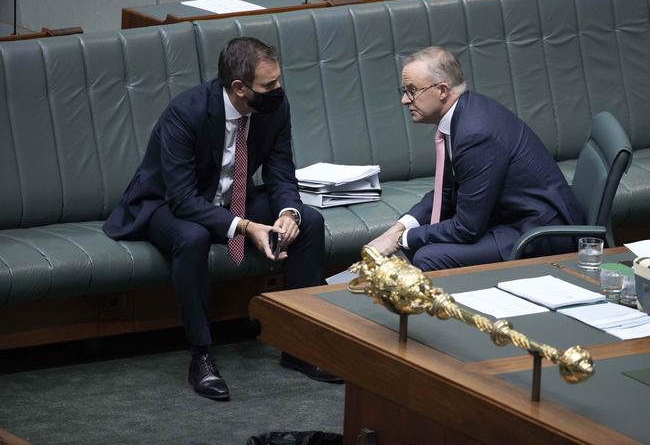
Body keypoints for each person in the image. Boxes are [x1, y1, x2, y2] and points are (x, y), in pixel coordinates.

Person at [103, 37, 341, 401]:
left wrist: (287, 213)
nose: (278, 90)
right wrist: (245, 226)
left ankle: (300, 347)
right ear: (239, 88)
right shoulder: (187, 113)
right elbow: (182, 198)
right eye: (269, 85)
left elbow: (280, 171)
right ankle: (201, 355)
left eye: (278, 81)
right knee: (194, 236)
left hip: (233, 201)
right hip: (163, 206)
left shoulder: (274, 108)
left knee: (309, 222)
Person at [369, 46, 584, 270]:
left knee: (428, 256)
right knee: (417, 245)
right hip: (512, 218)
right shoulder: (465, 112)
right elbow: (446, 191)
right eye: (404, 90)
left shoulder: (475, 133)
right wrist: (399, 228)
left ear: (442, 90)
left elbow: (466, 228)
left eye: (412, 90)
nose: (405, 100)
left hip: (536, 232)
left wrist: (400, 240)